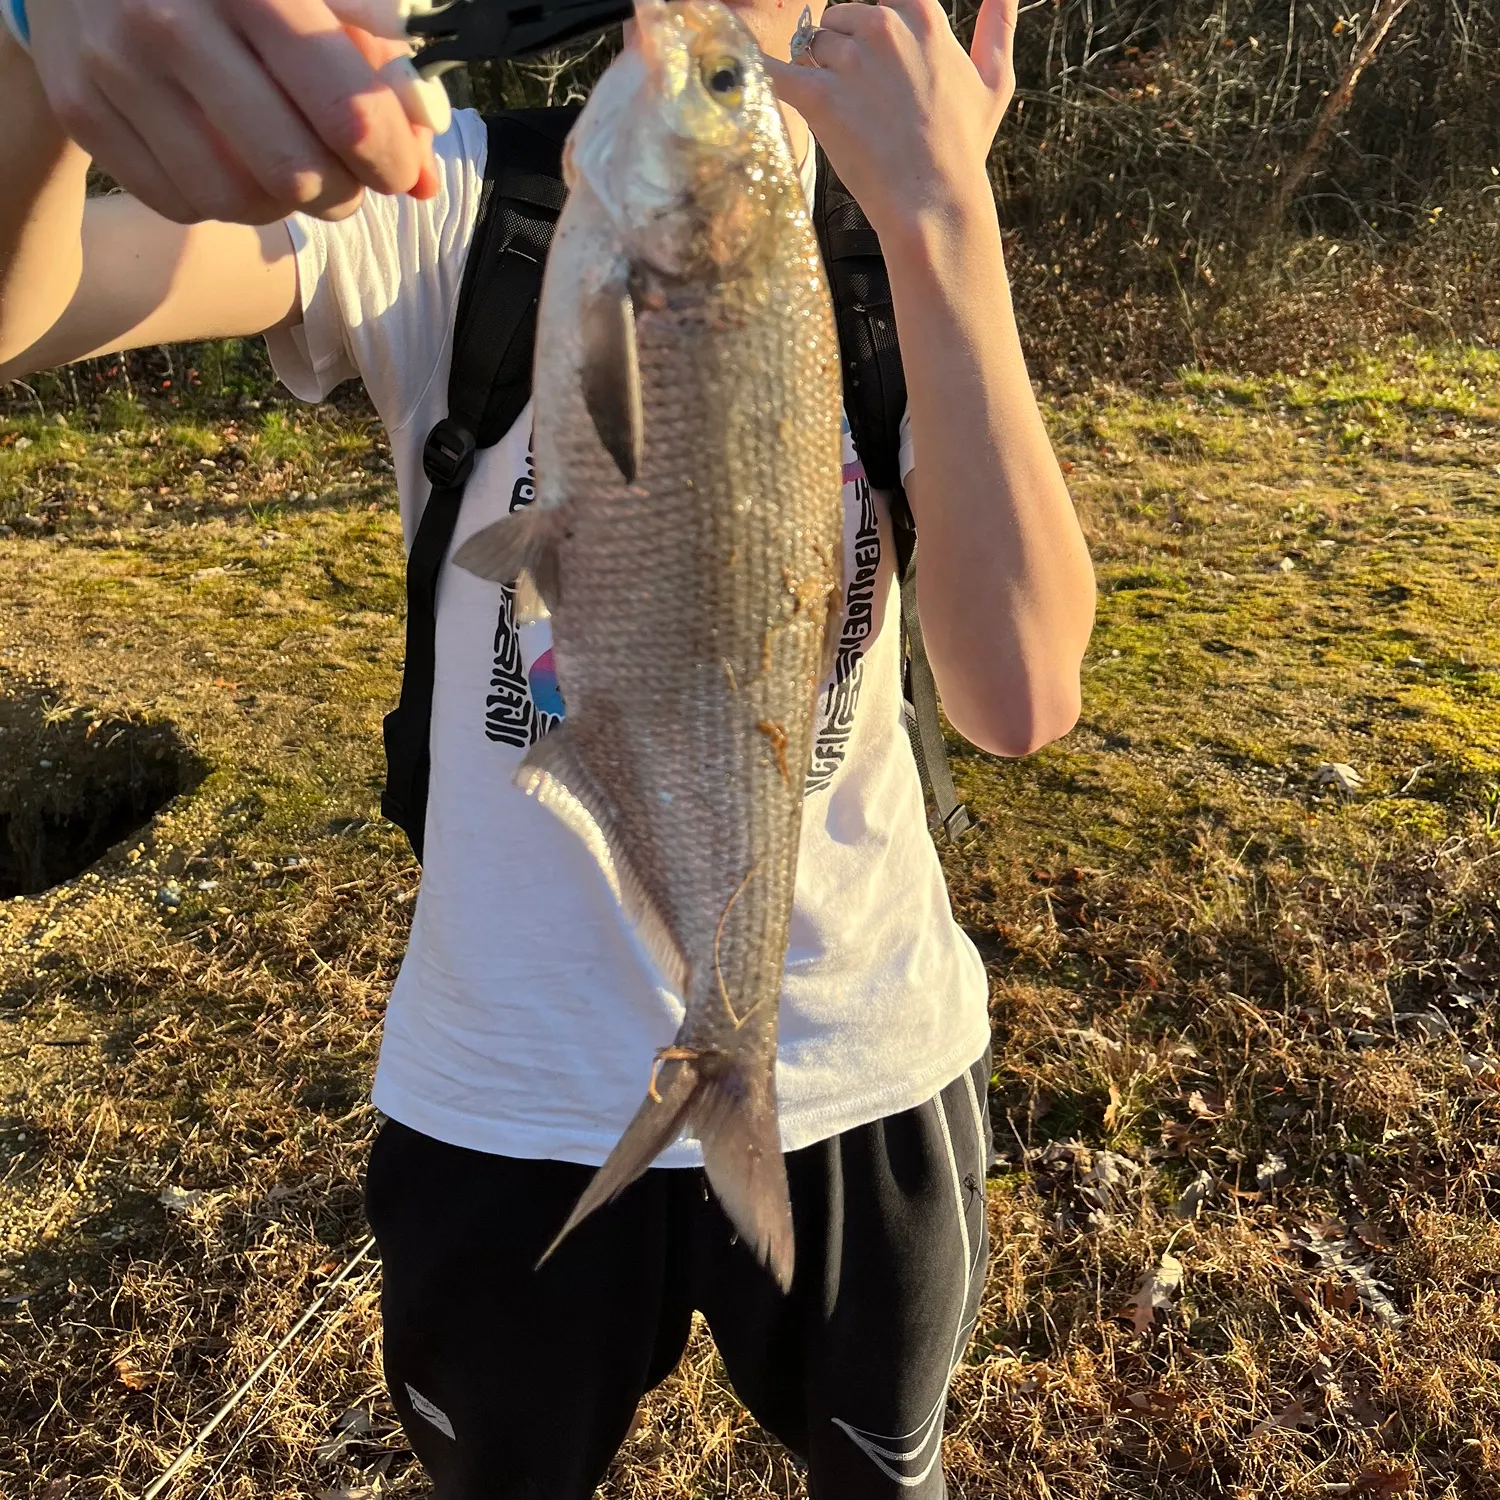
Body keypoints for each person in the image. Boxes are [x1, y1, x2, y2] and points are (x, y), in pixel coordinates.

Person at [0, 0, 1095, 1492]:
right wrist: (38, 49)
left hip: (859, 1058)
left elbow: (1020, 695)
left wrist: (945, 215)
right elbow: (33, 301)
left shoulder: (886, 234)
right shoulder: (449, 199)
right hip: (500, 1087)